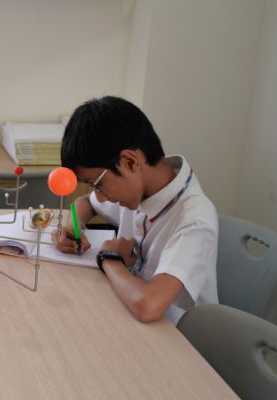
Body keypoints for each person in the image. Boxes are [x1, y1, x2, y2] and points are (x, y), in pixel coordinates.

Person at [52, 96, 218, 324]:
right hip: (127, 315)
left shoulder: (194, 220)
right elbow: (85, 203)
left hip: (176, 336)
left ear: (130, 162)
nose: (99, 195)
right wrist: (74, 226)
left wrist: (109, 259)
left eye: (97, 184)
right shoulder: (140, 187)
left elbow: (148, 306)